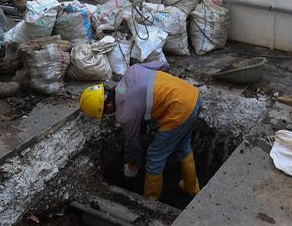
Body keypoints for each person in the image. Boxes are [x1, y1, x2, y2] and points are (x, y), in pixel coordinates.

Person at [79, 60, 202, 202]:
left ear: (109, 106)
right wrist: (163, 91)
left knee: (155, 156)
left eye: (105, 113)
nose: (107, 115)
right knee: (183, 145)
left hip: (180, 110)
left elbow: (133, 144)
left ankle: (150, 200)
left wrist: (132, 165)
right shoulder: (132, 71)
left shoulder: (126, 115)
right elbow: (164, 64)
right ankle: (191, 188)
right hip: (192, 95)